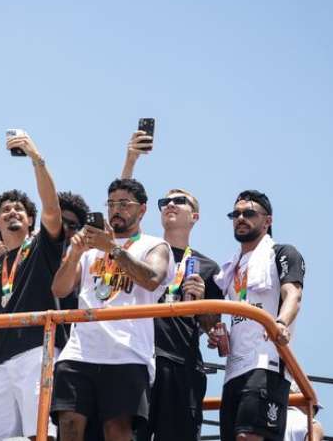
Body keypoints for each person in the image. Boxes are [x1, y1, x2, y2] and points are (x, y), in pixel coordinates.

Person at [51, 178, 174, 441]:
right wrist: (74, 253)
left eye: (124, 204)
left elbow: (152, 278)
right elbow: (60, 289)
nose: (116, 209)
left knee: (117, 431)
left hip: (126, 353)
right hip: (80, 351)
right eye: (111, 203)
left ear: (142, 210)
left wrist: (113, 249)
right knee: (69, 425)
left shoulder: (154, 245)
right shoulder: (89, 250)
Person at [121, 131, 222, 440]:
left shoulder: (208, 267)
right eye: (165, 201)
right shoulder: (145, 250)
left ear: (195, 216)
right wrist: (131, 160)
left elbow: (211, 328)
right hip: (139, 356)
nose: (171, 204)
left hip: (182, 364)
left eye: (181, 201)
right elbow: (120, 212)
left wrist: (202, 303)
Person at [0, 131, 64, 440]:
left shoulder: (42, 248)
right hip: (0, 362)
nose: (12, 212)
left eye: (20, 210)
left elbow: (52, 209)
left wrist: (36, 158)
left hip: (36, 350)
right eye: (5, 211)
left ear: (30, 220)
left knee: (40, 434)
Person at [210, 190, 306, 441]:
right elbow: (218, 310)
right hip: (233, 370)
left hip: (267, 364)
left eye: (249, 213)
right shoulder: (229, 268)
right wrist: (217, 331)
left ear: (268, 221)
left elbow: (293, 294)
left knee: (248, 438)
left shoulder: (282, 252)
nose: (241, 218)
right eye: (236, 214)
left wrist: (281, 322)